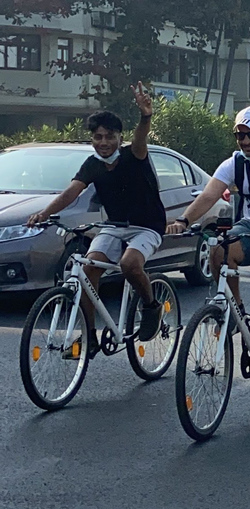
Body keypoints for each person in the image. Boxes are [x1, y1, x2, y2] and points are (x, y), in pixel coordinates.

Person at [166, 105, 250, 406]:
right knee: (218, 250)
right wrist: (184, 221)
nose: (246, 142)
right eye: (240, 136)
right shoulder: (236, 163)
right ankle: (236, 311)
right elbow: (209, 194)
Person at [27, 82, 166, 358]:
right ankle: (88, 337)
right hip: (113, 227)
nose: (103, 142)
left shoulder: (133, 154)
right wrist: (44, 214)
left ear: (119, 137)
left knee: (129, 264)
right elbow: (71, 192)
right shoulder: (92, 164)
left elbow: (140, 138)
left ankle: (151, 306)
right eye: (98, 137)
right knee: (88, 270)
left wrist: (146, 116)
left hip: (147, 226)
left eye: (109, 136)